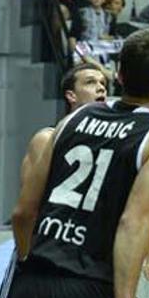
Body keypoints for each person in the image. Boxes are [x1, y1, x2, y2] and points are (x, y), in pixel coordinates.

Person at [0, 28, 149, 298]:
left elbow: (24, 212)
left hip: (31, 282)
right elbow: (134, 222)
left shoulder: (71, 120)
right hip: (91, 287)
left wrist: (27, 262)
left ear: (119, 75)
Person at [16, 63, 109, 212]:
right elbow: (27, 208)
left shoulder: (110, 141)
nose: (101, 88)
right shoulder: (48, 138)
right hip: (53, 230)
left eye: (103, 83)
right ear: (71, 96)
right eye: (90, 82)